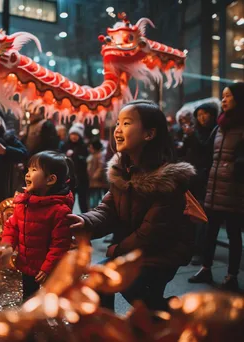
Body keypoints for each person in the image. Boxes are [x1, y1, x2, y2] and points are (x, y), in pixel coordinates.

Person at [68, 100, 196, 311]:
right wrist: (85, 221)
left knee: (129, 288)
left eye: (126, 123)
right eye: (118, 123)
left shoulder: (168, 180)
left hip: (162, 254)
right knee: (103, 283)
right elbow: (107, 210)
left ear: (149, 134)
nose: (117, 129)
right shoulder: (123, 171)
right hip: (136, 251)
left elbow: (151, 234)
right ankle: (110, 329)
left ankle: (174, 314)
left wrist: (116, 249)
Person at [188, 82, 244, 292]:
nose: (224, 99)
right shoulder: (220, 126)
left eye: (228, 96)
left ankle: (231, 276)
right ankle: (206, 268)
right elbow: (206, 152)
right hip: (213, 187)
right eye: (223, 96)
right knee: (210, 232)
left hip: (235, 190)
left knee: (233, 234)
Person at [1, 151, 75, 301]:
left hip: (49, 269)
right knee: (28, 298)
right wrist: (7, 246)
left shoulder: (59, 211)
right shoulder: (24, 202)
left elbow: (59, 245)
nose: (27, 174)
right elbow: (12, 226)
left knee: (50, 301)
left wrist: (48, 267)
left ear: (50, 179)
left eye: (34, 170)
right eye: (28, 169)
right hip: (27, 263)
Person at [179, 103, 218, 265]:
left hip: (206, 179)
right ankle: (191, 248)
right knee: (190, 214)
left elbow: (205, 150)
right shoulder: (194, 133)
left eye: (205, 114)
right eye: (199, 114)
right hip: (193, 179)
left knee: (202, 216)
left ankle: (200, 251)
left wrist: (191, 135)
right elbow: (184, 153)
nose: (202, 117)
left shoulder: (215, 131)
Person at [60, 123, 89, 212]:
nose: (74, 137)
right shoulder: (65, 145)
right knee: (69, 199)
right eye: (72, 134)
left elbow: (86, 159)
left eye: (76, 135)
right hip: (69, 177)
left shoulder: (84, 146)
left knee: (83, 200)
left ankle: (85, 219)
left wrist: (75, 155)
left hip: (81, 177)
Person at [87, 138, 108, 208]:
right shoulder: (92, 156)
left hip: (97, 181)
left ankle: (94, 210)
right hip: (92, 181)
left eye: (91, 147)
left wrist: (95, 175)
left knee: (95, 198)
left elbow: (101, 167)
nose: (90, 149)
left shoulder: (99, 156)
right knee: (92, 197)